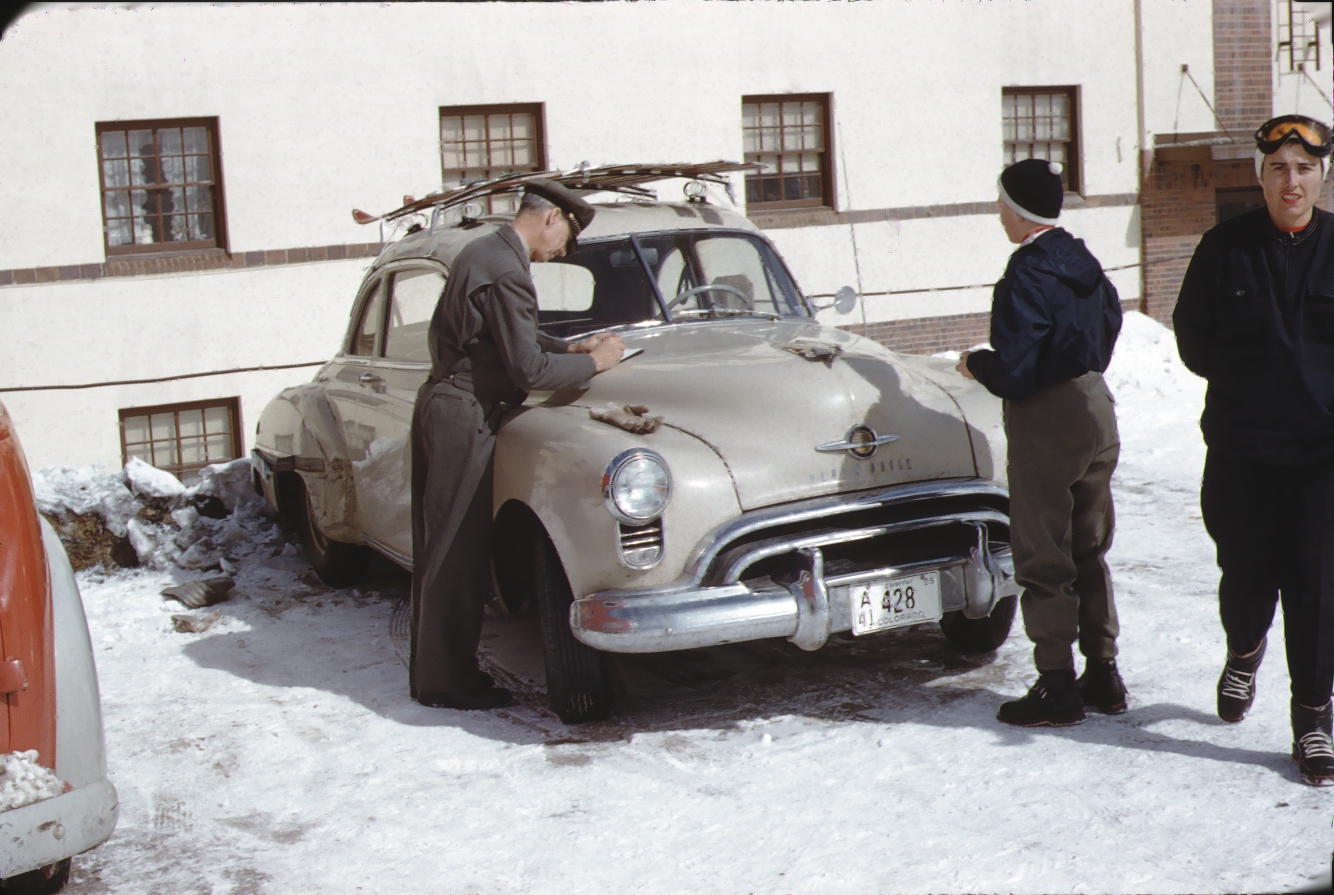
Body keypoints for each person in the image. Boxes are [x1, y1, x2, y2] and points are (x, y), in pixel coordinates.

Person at [410, 180, 625, 710]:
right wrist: (595, 363)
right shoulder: (507, 268)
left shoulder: (486, 252)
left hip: (450, 403)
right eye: (566, 239)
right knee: (456, 553)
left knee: (442, 547)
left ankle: (436, 673)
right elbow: (526, 367)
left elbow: (511, 336)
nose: (561, 252)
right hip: (466, 410)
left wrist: (570, 345)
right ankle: (446, 682)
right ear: (550, 217)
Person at [1173, 114, 1334, 786]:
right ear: (1259, 176)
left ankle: (1313, 716)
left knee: (1316, 585)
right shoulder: (1222, 248)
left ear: (1322, 174)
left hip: (1321, 457)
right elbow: (1191, 338)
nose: (1290, 180)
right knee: (1244, 578)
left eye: (1303, 167)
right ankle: (1245, 647)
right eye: (1278, 168)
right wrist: (1249, 386)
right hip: (1241, 451)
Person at [958, 157, 1125, 727]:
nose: (998, 213)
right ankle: (1102, 673)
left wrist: (978, 364)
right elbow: (1107, 327)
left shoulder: (1026, 273)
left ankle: (1057, 684)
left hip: (1049, 419)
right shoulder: (1082, 260)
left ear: (1017, 209)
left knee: (1043, 553)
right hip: (1096, 408)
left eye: (1001, 202)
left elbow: (1018, 367)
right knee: (1088, 548)